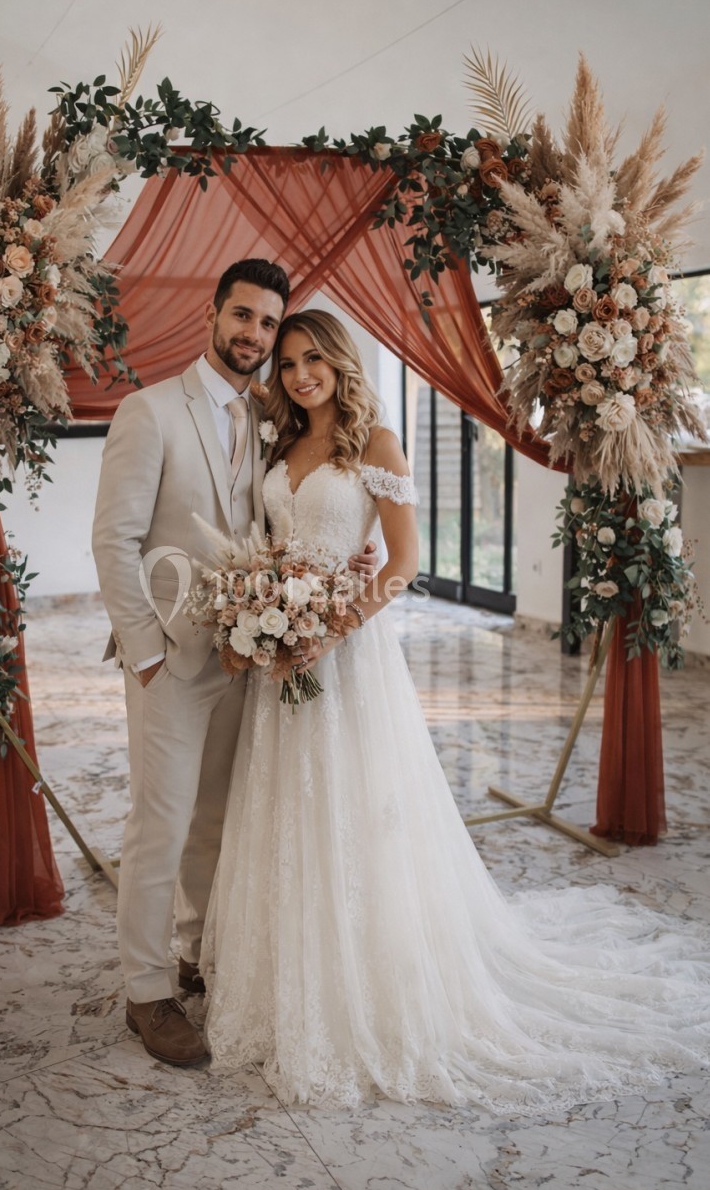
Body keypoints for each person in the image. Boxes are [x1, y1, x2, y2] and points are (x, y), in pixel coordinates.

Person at [200, 309, 710, 1112]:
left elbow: (403, 561)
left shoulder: (375, 444)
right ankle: (287, 974)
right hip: (282, 659)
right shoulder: (276, 442)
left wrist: (326, 630)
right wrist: (263, 614)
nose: (300, 375)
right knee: (287, 813)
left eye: (314, 361)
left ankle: (371, 978)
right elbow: (272, 544)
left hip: (346, 656)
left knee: (359, 814)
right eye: (289, 363)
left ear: (340, 363)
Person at [91, 262, 376, 1068]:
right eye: (242, 317)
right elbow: (112, 541)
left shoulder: (268, 417)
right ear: (213, 313)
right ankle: (147, 993)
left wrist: (335, 584)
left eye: (266, 324)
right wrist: (146, 656)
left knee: (217, 820)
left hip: (246, 659)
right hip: (169, 663)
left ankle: (196, 955)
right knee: (161, 824)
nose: (254, 335)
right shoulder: (150, 413)